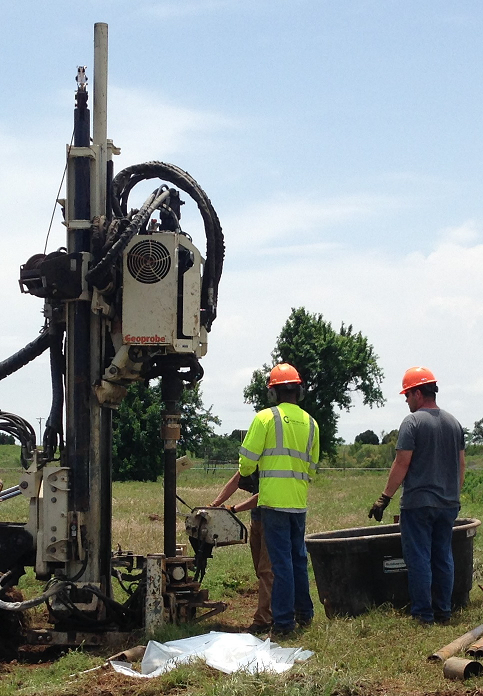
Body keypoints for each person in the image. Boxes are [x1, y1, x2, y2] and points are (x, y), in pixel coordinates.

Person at [369, 366, 465, 626]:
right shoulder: (454, 423)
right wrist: (454, 495)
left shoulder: (412, 423)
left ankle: (423, 614)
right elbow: (461, 464)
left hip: (418, 504)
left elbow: (402, 462)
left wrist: (384, 498)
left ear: (418, 393)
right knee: (443, 556)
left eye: (407, 395)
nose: (406, 400)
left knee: (419, 558)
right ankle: (443, 611)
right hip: (448, 504)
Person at [239, 363, 320, 635]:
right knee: (298, 559)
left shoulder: (265, 418)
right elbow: (312, 468)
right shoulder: (311, 423)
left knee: (280, 563)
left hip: (273, 503)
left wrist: (247, 473)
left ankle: (284, 622)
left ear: (273, 393)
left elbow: (247, 462)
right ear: (299, 391)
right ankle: (305, 613)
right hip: (298, 502)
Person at [208, 471, 273, 633]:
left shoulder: (272, 461)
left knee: (267, 571)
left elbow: (266, 494)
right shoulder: (252, 460)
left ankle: (264, 619)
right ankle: (273, 611)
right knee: (260, 570)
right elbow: (237, 479)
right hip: (257, 519)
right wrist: (214, 505)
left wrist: (233, 509)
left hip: (273, 519)